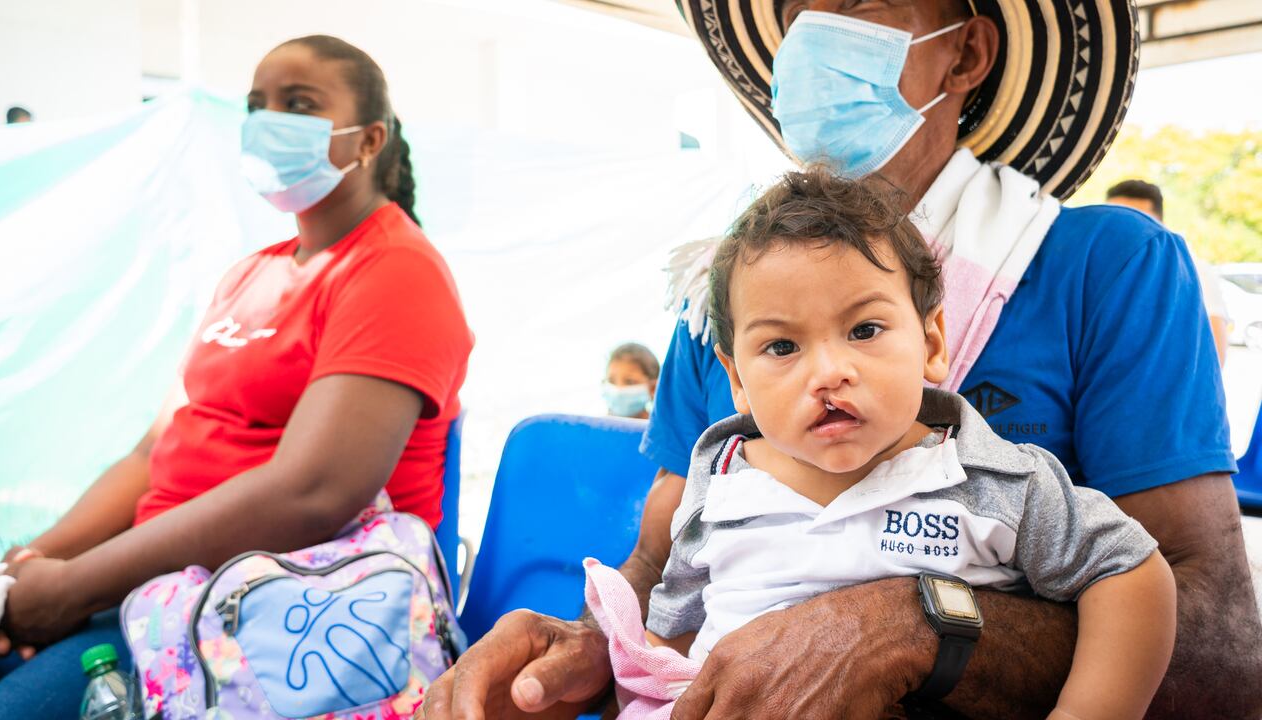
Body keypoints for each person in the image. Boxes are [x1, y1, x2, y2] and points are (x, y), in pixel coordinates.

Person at [425, 1, 1259, 719]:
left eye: (857, 3)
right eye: (797, 12)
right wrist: (584, 652)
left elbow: (1222, 660)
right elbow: (665, 570)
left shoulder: (1106, 269)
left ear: (966, 52)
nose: (815, 35)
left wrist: (916, 624)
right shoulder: (724, 292)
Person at [0, 34, 473, 717]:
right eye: (256, 104)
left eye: (298, 104)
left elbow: (312, 493)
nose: (267, 121)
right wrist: (25, 573)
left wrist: (74, 589)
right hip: (147, 587)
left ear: (368, 142)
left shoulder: (395, 272)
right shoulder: (249, 275)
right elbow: (153, 455)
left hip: (267, 612)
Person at [587, 169, 1175, 720]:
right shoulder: (719, 486)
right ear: (736, 380)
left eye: (864, 330)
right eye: (782, 347)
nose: (828, 372)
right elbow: (671, 647)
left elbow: (1128, 570)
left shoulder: (994, 483)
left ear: (932, 342)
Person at [1106, 179, 1231, 366]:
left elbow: (1214, 357)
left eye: (1137, 223)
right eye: (1113, 222)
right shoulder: (1096, 273)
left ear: (1161, 225)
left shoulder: (1193, 271)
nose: (1124, 233)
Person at [603, 343, 660, 419]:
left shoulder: (659, 429)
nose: (618, 390)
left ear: (653, 388)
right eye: (611, 381)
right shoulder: (595, 427)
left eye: (629, 382)